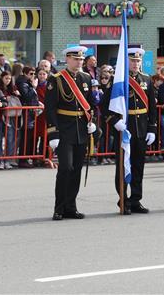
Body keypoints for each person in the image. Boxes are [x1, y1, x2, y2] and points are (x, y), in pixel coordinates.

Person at [45, 46, 100, 220]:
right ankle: (59, 207)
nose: (79, 62)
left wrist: (92, 123)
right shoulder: (57, 79)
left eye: (81, 59)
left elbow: (90, 105)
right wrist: (53, 132)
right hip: (64, 130)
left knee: (76, 169)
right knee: (65, 168)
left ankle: (71, 206)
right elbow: (50, 108)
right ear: (67, 59)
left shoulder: (86, 78)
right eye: (76, 59)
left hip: (81, 130)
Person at [103, 47, 157, 214]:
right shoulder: (118, 79)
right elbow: (105, 106)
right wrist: (114, 121)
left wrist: (152, 128)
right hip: (124, 129)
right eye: (133, 61)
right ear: (127, 62)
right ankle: (123, 200)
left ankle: (135, 199)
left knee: (138, 166)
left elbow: (152, 107)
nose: (136, 63)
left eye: (138, 61)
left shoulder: (146, 79)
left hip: (140, 129)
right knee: (123, 166)